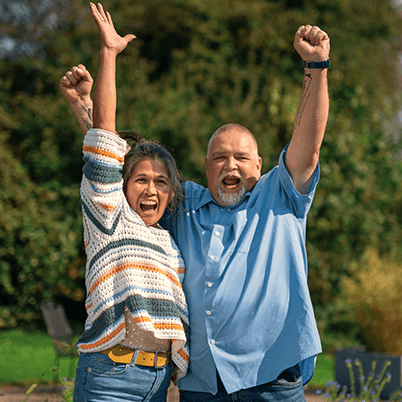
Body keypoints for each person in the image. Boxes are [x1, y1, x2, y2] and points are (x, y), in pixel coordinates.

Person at [61, 3, 330, 400]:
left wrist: (316, 68)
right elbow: (123, 166)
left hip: (271, 380)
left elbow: (307, 148)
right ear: (206, 166)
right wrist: (84, 108)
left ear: (260, 165)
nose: (230, 165)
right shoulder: (182, 205)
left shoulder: (280, 196)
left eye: (241, 158)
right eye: (220, 157)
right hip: (203, 385)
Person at [67, 3, 189, 401]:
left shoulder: (168, 243)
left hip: (156, 383)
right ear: (122, 185)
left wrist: (80, 103)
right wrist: (108, 54)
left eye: (160, 182)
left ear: (171, 192)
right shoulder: (109, 218)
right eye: (140, 180)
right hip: (109, 377)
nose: (151, 190)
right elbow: (104, 142)